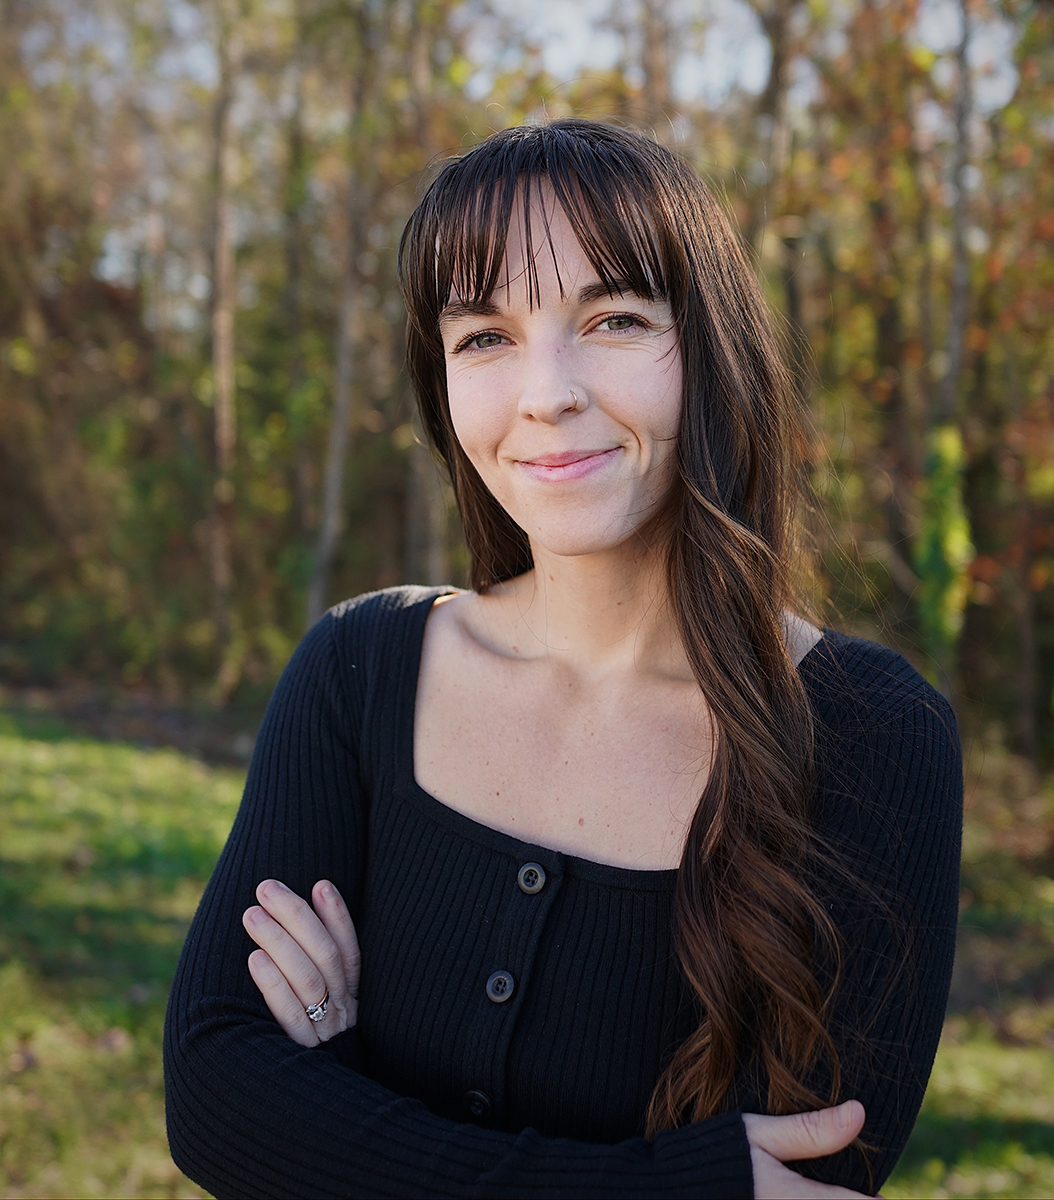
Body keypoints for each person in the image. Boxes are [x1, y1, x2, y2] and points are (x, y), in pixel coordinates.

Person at [163, 119, 962, 1200]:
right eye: (483, 337)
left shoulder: (872, 736)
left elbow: (814, 1183)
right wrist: (658, 1184)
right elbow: (215, 1099)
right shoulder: (358, 671)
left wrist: (334, 1104)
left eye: (615, 318)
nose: (547, 393)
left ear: (710, 347)